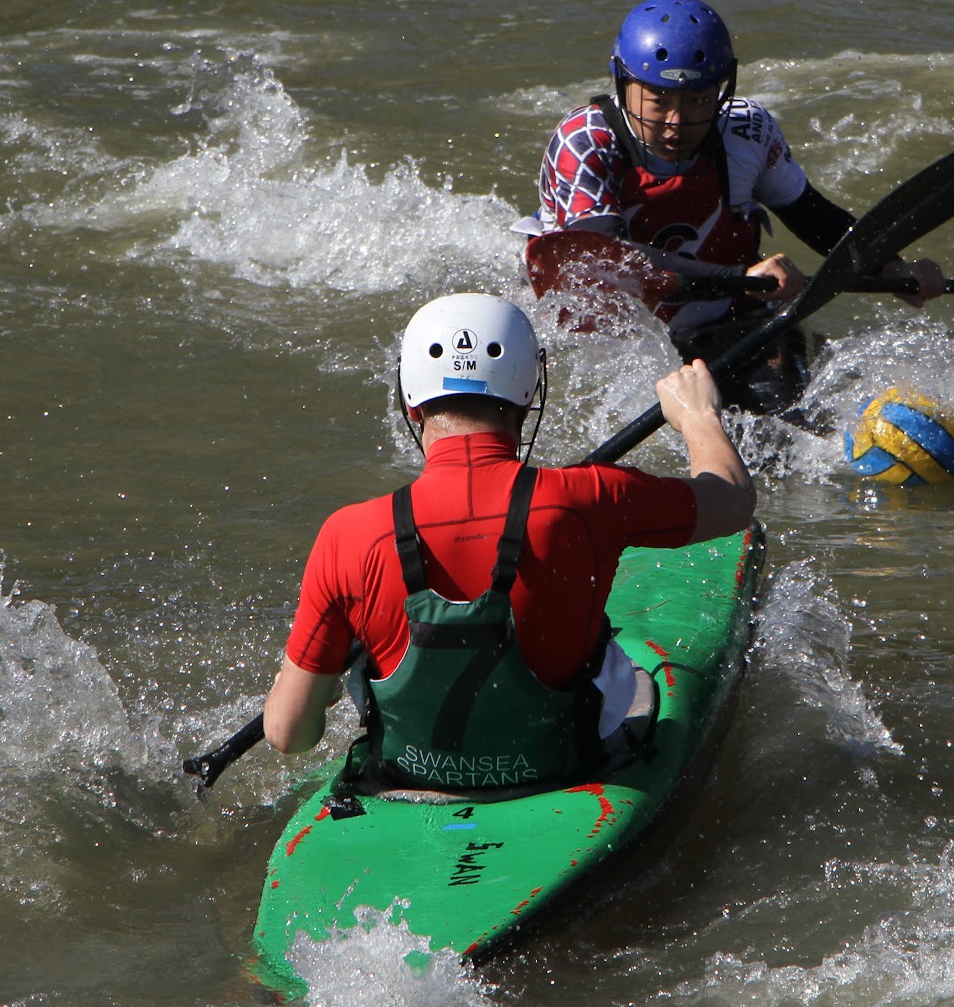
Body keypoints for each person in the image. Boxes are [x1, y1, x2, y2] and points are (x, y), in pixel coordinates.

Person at [259, 293, 755, 794]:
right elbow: (732, 500)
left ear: (411, 402)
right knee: (623, 666)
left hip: (411, 778)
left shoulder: (347, 535)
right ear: (528, 391)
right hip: (564, 768)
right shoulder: (589, 498)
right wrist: (697, 415)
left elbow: (288, 734)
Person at [522, 0, 945, 411]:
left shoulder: (745, 131)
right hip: (623, 336)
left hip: (724, 315)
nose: (677, 122)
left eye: (698, 100)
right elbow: (611, 263)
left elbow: (812, 216)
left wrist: (891, 265)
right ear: (623, 83)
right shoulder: (585, 142)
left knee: (793, 421)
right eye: (659, 100)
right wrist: (743, 275)